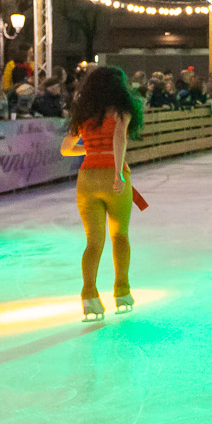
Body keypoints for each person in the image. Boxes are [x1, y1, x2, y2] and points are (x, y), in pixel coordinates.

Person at [60, 64, 143, 322]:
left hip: (87, 179)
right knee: (120, 236)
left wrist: (91, 150)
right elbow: (120, 138)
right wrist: (117, 172)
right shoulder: (121, 110)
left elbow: (65, 149)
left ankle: (89, 296)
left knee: (93, 243)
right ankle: (122, 291)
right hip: (112, 177)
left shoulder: (84, 114)